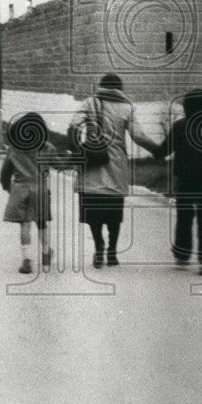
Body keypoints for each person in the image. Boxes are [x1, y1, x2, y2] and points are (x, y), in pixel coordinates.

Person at [68, 73, 158, 268]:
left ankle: (99, 247)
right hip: (116, 166)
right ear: (119, 88)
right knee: (113, 213)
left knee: (93, 211)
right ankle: (112, 251)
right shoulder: (127, 107)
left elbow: (74, 125)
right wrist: (157, 151)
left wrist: (77, 149)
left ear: (101, 86)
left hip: (92, 163)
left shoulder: (90, 103)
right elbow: (138, 135)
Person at [152, 89, 202, 276]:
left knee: (184, 216)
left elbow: (164, 150)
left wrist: (154, 152)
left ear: (187, 106)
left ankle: (182, 254)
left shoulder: (180, 126)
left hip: (185, 178)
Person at [0, 112, 56, 274]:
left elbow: (5, 173)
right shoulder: (47, 147)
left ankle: (26, 260)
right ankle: (46, 253)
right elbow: (59, 164)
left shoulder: (14, 149)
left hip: (21, 189)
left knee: (25, 224)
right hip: (41, 190)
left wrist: (8, 188)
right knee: (42, 222)